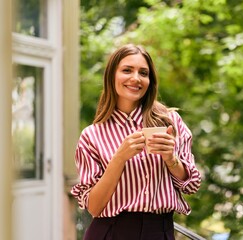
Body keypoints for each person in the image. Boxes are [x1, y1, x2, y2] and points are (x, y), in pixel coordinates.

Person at [71, 44, 202, 240]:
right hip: (111, 232)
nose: (135, 78)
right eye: (126, 70)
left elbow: (191, 186)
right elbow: (94, 207)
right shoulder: (92, 135)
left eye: (143, 73)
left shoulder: (170, 122)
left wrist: (171, 159)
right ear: (111, 76)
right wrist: (119, 158)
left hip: (160, 232)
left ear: (150, 80)